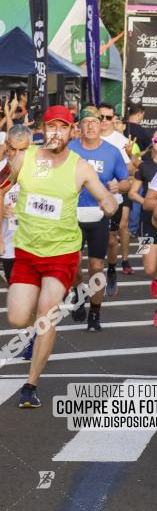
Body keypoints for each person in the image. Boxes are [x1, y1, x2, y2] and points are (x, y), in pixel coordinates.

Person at [2, 106, 117, 407]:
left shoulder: (79, 166)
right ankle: (34, 332)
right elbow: (1, 185)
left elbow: (102, 194)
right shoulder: (23, 159)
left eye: (62, 127)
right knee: (16, 317)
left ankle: (30, 385)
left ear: (71, 132)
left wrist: (109, 203)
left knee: (46, 313)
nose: (56, 132)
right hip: (27, 251)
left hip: (62, 253)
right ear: (42, 129)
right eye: (50, 126)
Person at [69, 107, 130, 331]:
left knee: (96, 266)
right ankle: (77, 292)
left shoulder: (112, 152)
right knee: (74, 267)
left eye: (95, 121)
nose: (91, 125)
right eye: (86, 122)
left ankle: (95, 313)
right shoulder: (70, 149)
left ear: (100, 125)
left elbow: (126, 182)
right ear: (80, 127)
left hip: (99, 215)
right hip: (72, 215)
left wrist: (118, 186)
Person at [128, 129, 157, 326]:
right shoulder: (144, 166)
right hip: (146, 222)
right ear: (152, 143)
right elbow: (131, 193)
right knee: (148, 268)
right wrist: (148, 202)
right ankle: (154, 280)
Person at [98, 103, 136, 290]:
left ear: (114, 119)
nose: (104, 121)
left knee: (113, 239)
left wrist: (117, 180)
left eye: (108, 117)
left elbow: (130, 170)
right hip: (87, 200)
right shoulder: (87, 137)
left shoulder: (120, 140)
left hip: (115, 198)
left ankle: (113, 269)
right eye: (101, 117)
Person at [1, 125, 33, 290]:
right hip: (10, 247)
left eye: (23, 150)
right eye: (13, 149)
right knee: (17, 294)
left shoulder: (40, 172)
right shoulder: (1, 171)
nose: (17, 154)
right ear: (6, 145)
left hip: (36, 245)